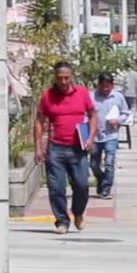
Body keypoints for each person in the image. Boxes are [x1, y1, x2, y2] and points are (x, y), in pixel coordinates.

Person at [34, 61, 97, 234]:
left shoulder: (82, 93)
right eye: (60, 78)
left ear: (72, 77)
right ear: (55, 78)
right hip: (56, 149)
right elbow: (39, 121)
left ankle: (78, 212)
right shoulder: (48, 96)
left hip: (78, 149)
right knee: (56, 188)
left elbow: (92, 115)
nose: (63, 81)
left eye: (66, 78)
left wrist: (91, 137)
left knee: (82, 185)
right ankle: (62, 221)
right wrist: (38, 147)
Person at [91, 72, 131, 199]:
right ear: (98, 85)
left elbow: (126, 113)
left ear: (112, 85)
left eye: (107, 86)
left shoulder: (118, 97)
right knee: (94, 164)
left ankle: (106, 188)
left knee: (109, 162)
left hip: (111, 135)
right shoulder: (92, 97)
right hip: (95, 136)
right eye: (102, 86)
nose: (105, 89)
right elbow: (85, 113)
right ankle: (101, 178)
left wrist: (118, 120)